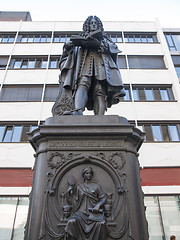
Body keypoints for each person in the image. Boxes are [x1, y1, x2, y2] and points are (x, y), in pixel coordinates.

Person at [52, 16, 125, 116]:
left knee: (99, 90)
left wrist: (100, 44)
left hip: (101, 64)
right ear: (88, 25)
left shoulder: (105, 38)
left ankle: (100, 116)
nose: (93, 24)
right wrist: (68, 46)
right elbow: (68, 53)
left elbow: (114, 48)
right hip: (84, 64)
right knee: (82, 84)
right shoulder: (81, 36)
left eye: (95, 23)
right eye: (91, 23)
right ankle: (78, 110)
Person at [64, 167, 109, 240]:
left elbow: (103, 198)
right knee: (71, 222)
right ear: (83, 175)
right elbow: (74, 201)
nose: (89, 175)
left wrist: (98, 205)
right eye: (86, 173)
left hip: (93, 214)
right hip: (80, 214)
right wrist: (69, 192)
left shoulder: (97, 186)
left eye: (90, 173)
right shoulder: (79, 187)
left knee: (102, 223)